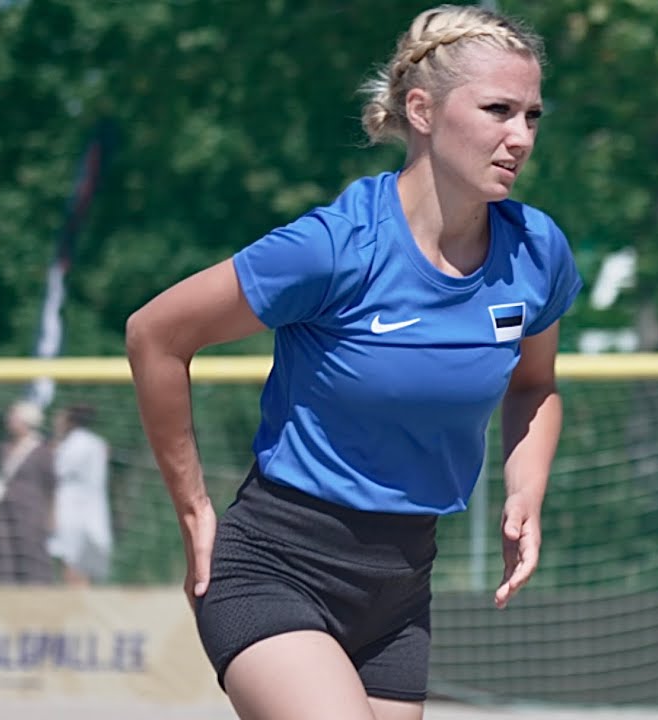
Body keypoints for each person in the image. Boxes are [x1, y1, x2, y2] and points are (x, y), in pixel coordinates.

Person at [126, 5, 581, 719]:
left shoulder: (536, 250)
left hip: (401, 587)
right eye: (498, 110)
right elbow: (155, 334)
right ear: (422, 110)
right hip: (278, 565)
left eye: (532, 116)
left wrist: (526, 490)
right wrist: (192, 510)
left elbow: (534, 384)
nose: (519, 136)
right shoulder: (335, 247)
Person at [0, 400, 56, 584]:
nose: (10, 420)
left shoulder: (42, 451)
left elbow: (52, 486)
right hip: (6, 511)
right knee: (5, 556)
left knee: (32, 557)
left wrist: (51, 516)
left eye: (14, 417)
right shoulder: (4, 448)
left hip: (31, 513)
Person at [48, 404, 113, 585]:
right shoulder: (97, 443)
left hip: (73, 510)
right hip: (93, 508)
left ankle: (76, 602)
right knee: (84, 562)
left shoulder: (74, 444)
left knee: (72, 560)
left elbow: (55, 471)